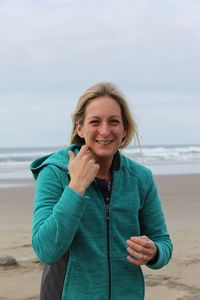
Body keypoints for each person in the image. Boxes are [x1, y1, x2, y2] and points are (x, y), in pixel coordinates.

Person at [31, 82, 173, 300]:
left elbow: (163, 242)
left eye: (114, 122)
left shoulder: (140, 178)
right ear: (80, 127)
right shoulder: (55, 173)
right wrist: (76, 186)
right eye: (95, 122)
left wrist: (154, 252)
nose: (105, 131)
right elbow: (45, 249)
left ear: (124, 128)